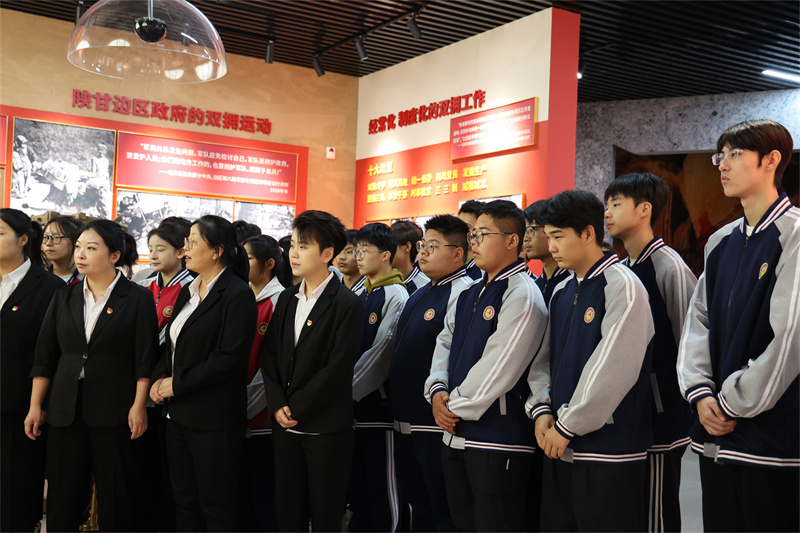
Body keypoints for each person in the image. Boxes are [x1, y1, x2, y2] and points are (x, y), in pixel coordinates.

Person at [677, 119, 799, 532]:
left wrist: (731, 403)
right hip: (714, 433)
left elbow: (789, 340)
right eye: (720, 155)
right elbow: (698, 320)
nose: (722, 165)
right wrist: (699, 393)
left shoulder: (794, 235)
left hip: (772, 439)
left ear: (771, 160)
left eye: (735, 154)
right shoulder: (720, 241)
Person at [526, 190, 654, 532]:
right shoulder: (562, 290)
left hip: (609, 451)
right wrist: (542, 409)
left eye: (558, 237)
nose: (551, 246)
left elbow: (615, 368)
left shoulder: (623, 286)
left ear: (587, 233)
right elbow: (543, 361)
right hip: (559, 444)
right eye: (548, 237)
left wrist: (568, 425)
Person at [26, 219, 159, 531]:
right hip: (65, 409)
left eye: (91, 247)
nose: (80, 254)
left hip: (115, 410)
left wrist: (139, 405)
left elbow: (144, 359)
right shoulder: (64, 296)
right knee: (63, 496)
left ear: (114, 256)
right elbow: (45, 356)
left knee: (116, 496)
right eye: (79, 247)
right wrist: (36, 405)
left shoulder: (137, 297)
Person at [425, 200, 547, 531]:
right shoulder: (470, 292)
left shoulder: (523, 293)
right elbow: (444, 342)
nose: (474, 242)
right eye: (473, 235)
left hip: (498, 439)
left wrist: (451, 406)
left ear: (512, 241)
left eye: (482, 234)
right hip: (455, 434)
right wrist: (436, 390)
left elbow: (500, 364)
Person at [149, 215, 257, 531]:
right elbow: (171, 343)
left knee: (216, 505)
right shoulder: (189, 289)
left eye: (193, 242)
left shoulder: (237, 294)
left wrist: (177, 384)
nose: (186, 249)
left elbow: (228, 358)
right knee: (185, 503)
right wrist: (159, 377)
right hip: (177, 416)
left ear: (217, 251)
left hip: (213, 420)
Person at [605, 172, 697, 532]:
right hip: (633, 412)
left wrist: (681, 403)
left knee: (658, 512)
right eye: (607, 204)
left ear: (645, 209)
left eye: (616, 204)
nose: (607, 213)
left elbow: (689, 340)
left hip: (662, 414)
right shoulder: (624, 268)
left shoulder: (668, 265)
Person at [261, 210, 364, 532]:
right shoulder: (287, 298)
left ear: (327, 253)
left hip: (325, 427)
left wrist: (296, 407)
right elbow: (270, 354)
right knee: (287, 512)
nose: (293, 253)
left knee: (325, 515)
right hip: (285, 424)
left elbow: (338, 367)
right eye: (292, 245)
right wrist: (277, 403)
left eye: (303, 246)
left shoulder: (346, 303)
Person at [389, 214, 475, 532]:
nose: (422, 252)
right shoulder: (420, 292)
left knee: (442, 508)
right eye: (423, 245)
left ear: (458, 253)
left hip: (434, 420)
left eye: (433, 246)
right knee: (419, 505)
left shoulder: (465, 292)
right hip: (404, 417)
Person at [0, 209, 65, 532]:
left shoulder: (49, 288)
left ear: (23, 238)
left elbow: (52, 352)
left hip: (21, 406)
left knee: (16, 493)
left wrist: (39, 404)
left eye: (0, 233)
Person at [348, 222, 408, 532]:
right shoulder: (361, 292)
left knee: (384, 489)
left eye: (364, 250)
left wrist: (344, 390)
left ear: (386, 255)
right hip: (353, 409)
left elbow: (382, 352)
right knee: (359, 489)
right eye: (356, 250)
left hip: (378, 409)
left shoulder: (396, 294)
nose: (358, 256)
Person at [137, 221, 194, 532]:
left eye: (161, 249)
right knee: (144, 467)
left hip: (167, 385)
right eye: (151, 249)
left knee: (169, 470)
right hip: (140, 383)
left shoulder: (192, 286)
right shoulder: (144, 284)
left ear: (181, 251)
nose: (154, 255)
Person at [241, 234, 285, 532]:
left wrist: (245, 405)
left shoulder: (280, 300)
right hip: (236, 412)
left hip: (263, 416)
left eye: (248, 258)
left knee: (264, 495)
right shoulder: (242, 297)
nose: (242, 264)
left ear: (269, 264)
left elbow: (272, 366)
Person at [523, 199, 570, 305]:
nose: (525, 238)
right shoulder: (534, 285)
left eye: (531, 230)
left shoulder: (571, 283)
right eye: (525, 231)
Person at [391, 220, 430, 296]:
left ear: (407, 247)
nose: (385, 252)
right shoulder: (384, 281)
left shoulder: (425, 286)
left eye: (390, 245)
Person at [42, 215, 84, 284]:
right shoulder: (39, 280)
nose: (48, 243)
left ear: (76, 241)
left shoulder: (87, 280)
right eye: (45, 237)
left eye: (57, 237)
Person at [457, 200, 486, 280]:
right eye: (457, 225)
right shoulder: (450, 265)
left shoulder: (483, 272)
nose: (459, 230)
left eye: (466, 227)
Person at [337, 228, 366, 293]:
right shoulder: (333, 288)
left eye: (349, 252)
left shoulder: (369, 290)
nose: (341, 257)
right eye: (338, 252)